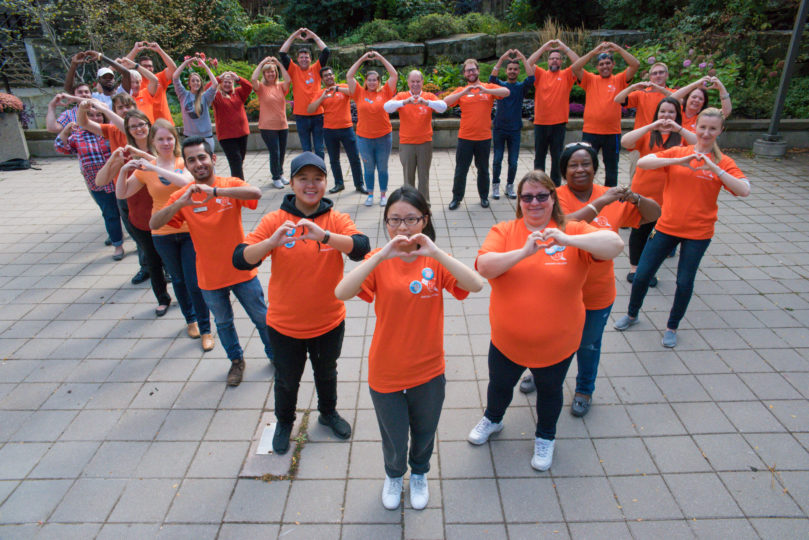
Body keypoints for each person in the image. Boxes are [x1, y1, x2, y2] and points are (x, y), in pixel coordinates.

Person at [335, 186, 483, 510]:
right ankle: (393, 474)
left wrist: (436, 253)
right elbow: (341, 292)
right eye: (394, 220)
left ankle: (419, 472)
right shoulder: (378, 260)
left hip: (428, 369)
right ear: (386, 223)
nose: (402, 227)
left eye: (411, 219)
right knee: (393, 434)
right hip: (386, 369)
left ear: (424, 220)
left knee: (425, 430)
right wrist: (381, 256)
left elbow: (476, 284)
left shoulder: (434, 259)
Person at [468, 170, 623, 471]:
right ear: (519, 201)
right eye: (527, 197)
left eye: (542, 196)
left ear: (553, 198)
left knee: (550, 391)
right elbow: (484, 267)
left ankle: (545, 436)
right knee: (499, 385)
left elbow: (614, 244)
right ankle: (493, 419)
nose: (535, 202)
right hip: (507, 341)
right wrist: (524, 252)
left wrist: (566, 238)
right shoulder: (505, 230)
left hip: (557, 344)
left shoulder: (573, 229)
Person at [233, 152, 370, 455]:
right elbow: (240, 259)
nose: (311, 185)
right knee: (286, 380)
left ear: (325, 182)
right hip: (285, 326)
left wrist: (325, 236)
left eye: (317, 178)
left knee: (327, 372)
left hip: (328, 322)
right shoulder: (275, 221)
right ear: (292, 183)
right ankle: (285, 422)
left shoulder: (335, 219)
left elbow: (361, 248)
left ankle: (328, 412)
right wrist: (271, 243)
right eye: (303, 178)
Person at [518, 143, 660, 415]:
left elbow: (654, 214)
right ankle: (539, 374)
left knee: (588, 344)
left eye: (586, 164)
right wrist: (601, 203)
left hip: (596, 292)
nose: (580, 169)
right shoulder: (551, 197)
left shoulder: (612, 195)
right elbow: (558, 225)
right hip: (555, 291)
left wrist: (635, 198)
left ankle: (584, 389)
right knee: (547, 337)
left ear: (596, 168)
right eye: (573, 165)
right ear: (564, 171)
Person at [614, 108, 750, 348]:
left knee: (684, 282)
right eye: (702, 127)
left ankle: (672, 327)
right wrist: (679, 161)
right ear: (695, 127)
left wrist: (715, 169)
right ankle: (632, 314)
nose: (706, 133)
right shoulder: (680, 152)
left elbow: (744, 189)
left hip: (698, 233)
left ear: (720, 131)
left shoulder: (724, 162)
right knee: (642, 274)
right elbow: (644, 162)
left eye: (712, 129)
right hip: (666, 226)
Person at [149, 137, 274, 386]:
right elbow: (154, 223)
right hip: (209, 276)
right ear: (187, 166)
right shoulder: (182, 195)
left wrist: (215, 191)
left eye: (202, 157)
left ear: (213, 158)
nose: (198, 164)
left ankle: (276, 356)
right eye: (191, 160)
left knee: (262, 318)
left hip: (241, 269)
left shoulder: (229, 184)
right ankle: (236, 361)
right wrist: (180, 203)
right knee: (224, 323)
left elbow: (256, 193)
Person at [116, 117, 213, 346]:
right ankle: (190, 320)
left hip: (189, 230)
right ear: (153, 142)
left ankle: (206, 328)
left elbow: (187, 182)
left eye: (169, 138)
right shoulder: (146, 169)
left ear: (175, 140)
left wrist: (153, 166)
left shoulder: (183, 162)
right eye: (161, 139)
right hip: (162, 232)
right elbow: (122, 193)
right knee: (178, 279)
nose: (166, 143)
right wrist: (123, 171)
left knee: (193, 280)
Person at [81, 94, 164, 289]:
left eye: (128, 106)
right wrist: (84, 108)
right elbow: (100, 181)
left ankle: (165, 267)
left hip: (157, 198)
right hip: (128, 195)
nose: (125, 111)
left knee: (162, 241)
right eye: (120, 108)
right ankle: (148, 268)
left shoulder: (158, 141)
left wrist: (104, 109)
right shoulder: (115, 134)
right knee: (141, 239)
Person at [620, 97, 697, 286]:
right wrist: (650, 126)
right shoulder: (648, 134)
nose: (666, 116)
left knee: (658, 235)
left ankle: (649, 270)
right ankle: (634, 268)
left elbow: (700, 144)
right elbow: (625, 141)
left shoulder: (682, 136)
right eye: (662, 111)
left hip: (670, 193)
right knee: (639, 230)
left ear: (677, 115)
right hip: (644, 190)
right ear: (656, 114)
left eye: (671, 112)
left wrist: (679, 128)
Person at [54, 102, 124, 261]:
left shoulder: (110, 131)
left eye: (98, 115)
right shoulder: (78, 135)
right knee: (110, 214)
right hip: (97, 183)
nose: (95, 118)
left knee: (126, 213)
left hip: (118, 179)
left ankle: (138, 244)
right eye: (90, 115)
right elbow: (61, 148)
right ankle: (118, 245)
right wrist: (65, 132)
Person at [443, 59, 510, 210]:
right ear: (464, 74)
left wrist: (486, 91)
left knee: (483, 170)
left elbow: (506, 92)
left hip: (483, 138)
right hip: (465, 138)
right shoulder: (462, 90)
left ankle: (484, 197)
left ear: (478, 71)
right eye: (468, 70)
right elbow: (446, 102)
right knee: (461, 170)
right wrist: (464, 92)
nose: (471, 73)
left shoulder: (487, 88)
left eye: (473, 69)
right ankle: (456, 198)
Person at [571, 42, 640, 187]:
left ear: (613, 65)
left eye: (608, 63)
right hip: (590, 132)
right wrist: (593, 52)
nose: (605, 66)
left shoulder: (619, 80)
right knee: (586, 166)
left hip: (612, 133)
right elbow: (575, 67)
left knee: (612, 169)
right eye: (601, 64)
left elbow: (635, 65)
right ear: (597, 67)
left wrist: (619, 49)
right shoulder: (590, 79)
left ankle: (610, 197)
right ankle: (587, 192)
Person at [383, 70, 447, 202]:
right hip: (407, 143)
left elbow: (443, 107)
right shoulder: (402, 96)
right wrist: (405, 102)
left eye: (418, 81)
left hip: (425, 143)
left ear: (422, 82)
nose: (415, 84)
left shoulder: (428, 96)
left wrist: (427, 103)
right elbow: (387, 107)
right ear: (408, 82)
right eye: (412, 81)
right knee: (408, 178)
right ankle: (409, 204)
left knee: (424, 177)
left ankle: (424, 204)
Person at [526, 39, 580, 186]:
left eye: (557, 58)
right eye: (552, 58)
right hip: (541, 123)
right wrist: (543, 47)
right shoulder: (540, 74)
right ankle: (538, 183)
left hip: (558, 123)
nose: (554, 60)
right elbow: (528, 63)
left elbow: (579, 63)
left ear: (561, 61)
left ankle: (555, 185)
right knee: (539, 156)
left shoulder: (567, 75)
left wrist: (565, 48)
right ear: (548, 61)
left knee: (557, 157)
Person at [347, 51, 398, 206]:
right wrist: (363, 58)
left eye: (375, 80)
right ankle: (370, 194)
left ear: (378, 81)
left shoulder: (385, 92)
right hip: (364, 138)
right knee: (368, 168)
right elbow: (349, 76)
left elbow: (394, 75)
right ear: (366, 81)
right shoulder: (359, 93)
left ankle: (383, 195)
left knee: (382, 168)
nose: (372, 82)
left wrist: (380, 58)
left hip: (384, 137)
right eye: (369, 80)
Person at [306, 66, 364, 195]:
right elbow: (310, 109)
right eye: (325, 76)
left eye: (330, 74)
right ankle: (339, 183)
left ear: (334, 76)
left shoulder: (343, 87)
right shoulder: (321, 93)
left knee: (354, 158)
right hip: (329, 130)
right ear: (322, 79)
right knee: (334, 159)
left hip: (347, 128)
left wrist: (337, 89)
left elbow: (355, 93)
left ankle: (359, 184)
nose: (329, 77)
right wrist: (322, 98)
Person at [613, 62, 673, 179]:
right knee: (636, 176)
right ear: (650, 77)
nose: (658, 75)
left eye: (661, 72)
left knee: (665, 177)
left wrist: (661, 90)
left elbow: (680, 102)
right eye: (654, 73)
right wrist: (632, 87)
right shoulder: (642, 94)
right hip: (641, 141)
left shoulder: (672, 93)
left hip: (666, 141)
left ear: (667, 75)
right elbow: (618, 99)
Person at [488, 49, 534, 200]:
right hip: (499, 129)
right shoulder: (500, 86)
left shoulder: (521, 88)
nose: (512, 71)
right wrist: (501, 59)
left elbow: (531, 78)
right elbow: (491, 79)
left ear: (518, 71)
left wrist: (523, 58)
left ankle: (510, 186)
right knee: (497, 160)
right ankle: (495, 185)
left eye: (515, 69)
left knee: (513, 162)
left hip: (514, 130)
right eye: (510, 69)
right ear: (506, 71)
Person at [280, 27, 329, 159]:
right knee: (306, 149)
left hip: (318, 115)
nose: (304, 59)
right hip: (301, 116)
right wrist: (294, 35)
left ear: (310, 59)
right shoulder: (293, 70)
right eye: (301, 57)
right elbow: (282, 53)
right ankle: (309, 170)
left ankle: (320, 169)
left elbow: (326, 51)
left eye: (306, 57)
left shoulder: (316, 68)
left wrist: (312, 35)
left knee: (319, 149)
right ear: (297, 59)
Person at [252, 56, 291, 189]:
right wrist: (262, 62)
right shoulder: (261, 88)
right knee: (275, 152)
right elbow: (253, 79)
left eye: (273, 71)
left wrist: (278, 63)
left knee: (282, 152)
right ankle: (275, 177)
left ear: (276, 73)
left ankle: (280, 174)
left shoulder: (281, 86)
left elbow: (288, 79)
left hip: (282, 125)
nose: (271, 74)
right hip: (267, 127)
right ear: (264, 74)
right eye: (268, 72)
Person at [212, 71, 252, 180]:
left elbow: (249, 87)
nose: (227, 84)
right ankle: (240, 186)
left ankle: (236, 182)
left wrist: (238, 78)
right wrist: (218, 78)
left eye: (229, 82)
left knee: (239, 162)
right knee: (236, 162)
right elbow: (207, 89)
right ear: (221, 83)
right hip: (226, 136)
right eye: (225, 82)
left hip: (242, 133)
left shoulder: (238, 93)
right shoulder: (216, 95)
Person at [173, 55, 219, 151]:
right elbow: (175, 77)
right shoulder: (183, 95)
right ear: (189, 83)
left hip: (206, 137)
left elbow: (215, 83)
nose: (195, 83)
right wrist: (186, 62)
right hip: (190, 137)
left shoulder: (205, 96)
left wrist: (205, 66)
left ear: (201, 83)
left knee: (208, 160)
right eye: (193, 81)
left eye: (198, 81)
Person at [125, 41, 177, 124]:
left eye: (150, 66)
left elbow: (173, 69)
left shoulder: (159, 77)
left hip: (165, 123)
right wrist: (135, 50)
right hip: (146, 125)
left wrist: (159, 50)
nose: (148, 68)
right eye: (144, 66)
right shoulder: (135, 82)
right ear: (139, 67)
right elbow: (123, 66)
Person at [64, 50, 132, 109]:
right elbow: (69, 89)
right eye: (104, 77)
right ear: (99, 80)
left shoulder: (122, 92)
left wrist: (101, 57)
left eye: (110, 77)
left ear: (114, 79)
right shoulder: (95, 97)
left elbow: (126, 73)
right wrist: (73, 65)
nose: (108, 79)